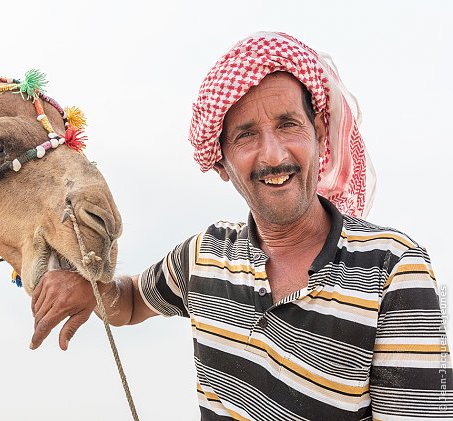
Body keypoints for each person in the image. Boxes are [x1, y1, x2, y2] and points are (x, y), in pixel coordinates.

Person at [29, 31, 453, 420]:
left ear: (320, 133)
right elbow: (133, 299)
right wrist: (90, 287)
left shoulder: (395, 269)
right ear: (222, 164)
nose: (272, 156)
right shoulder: (205, 253)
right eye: (246, 136)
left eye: (288, 124)